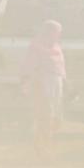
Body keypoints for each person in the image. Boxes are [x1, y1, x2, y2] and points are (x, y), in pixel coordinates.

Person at [21, 20, 66, 159]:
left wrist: (65, 83)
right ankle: (42, 148)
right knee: (45, 118)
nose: (58, 35)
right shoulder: (36, 47)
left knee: (56, 118)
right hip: (42, 85)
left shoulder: (56, 47)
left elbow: (60, 68)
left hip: (56, 86)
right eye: (56, 32)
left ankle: (45, 145)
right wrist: (28, 82)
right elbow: (29, 68)